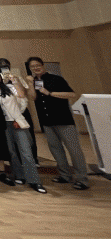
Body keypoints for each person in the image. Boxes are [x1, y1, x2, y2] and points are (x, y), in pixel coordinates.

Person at [27, 57, 89, 190]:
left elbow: (71, 94)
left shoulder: (56, 79)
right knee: (56, 149)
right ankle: (65, 175)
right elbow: (33, 97)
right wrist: (30, 84)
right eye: (32, 66)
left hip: (63, 120)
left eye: (37, 65)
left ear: (42, 65)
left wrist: (50, 93)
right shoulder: (36, 81)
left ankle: (82, 179)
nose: (35, 68)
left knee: (74, 150)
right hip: (47, 121)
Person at [0, 68, 46, 193]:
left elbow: (22, 95)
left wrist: (15, 81)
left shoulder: (9, 87)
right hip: (2, 124)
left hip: (16, 121)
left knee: (26, 151)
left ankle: (34, 180)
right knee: (11, 151)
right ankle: (19, 175)